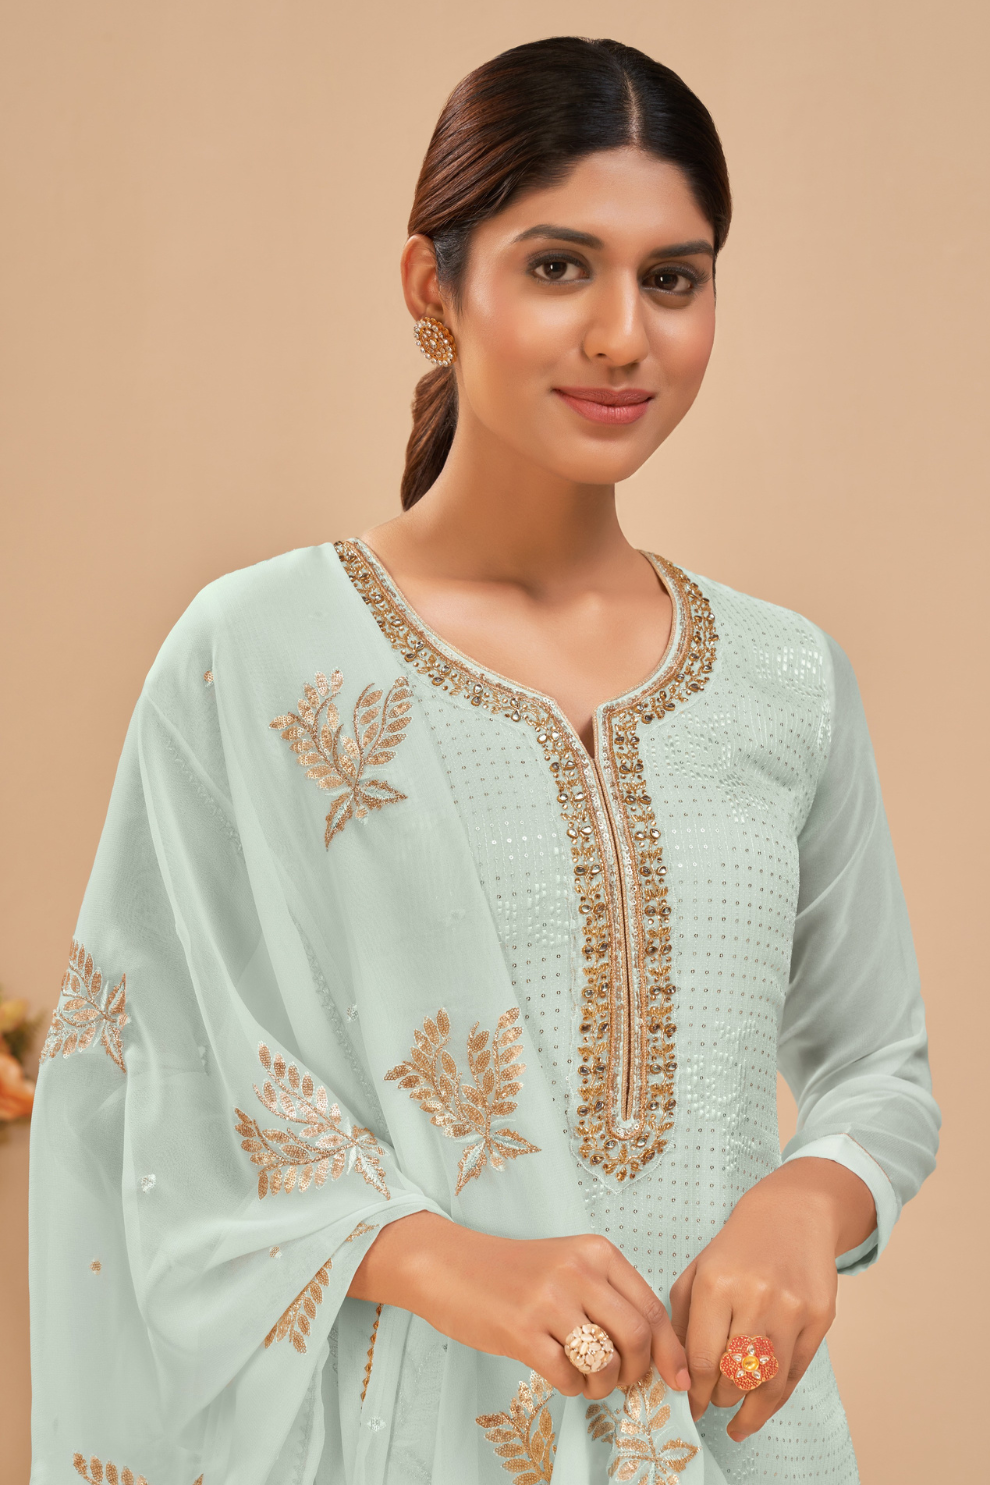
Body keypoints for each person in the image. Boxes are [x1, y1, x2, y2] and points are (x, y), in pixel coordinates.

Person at [28, 36, 939, 1485]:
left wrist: (804, 1206)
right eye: (560, 267)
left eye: (674, 278)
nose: (623, 335)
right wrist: (446, 1260)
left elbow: (878, 1070)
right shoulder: (262, 655)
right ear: (431, 288)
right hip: (400, 1436)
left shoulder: (784, 679)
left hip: (730, 1443)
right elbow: (151, 1094)